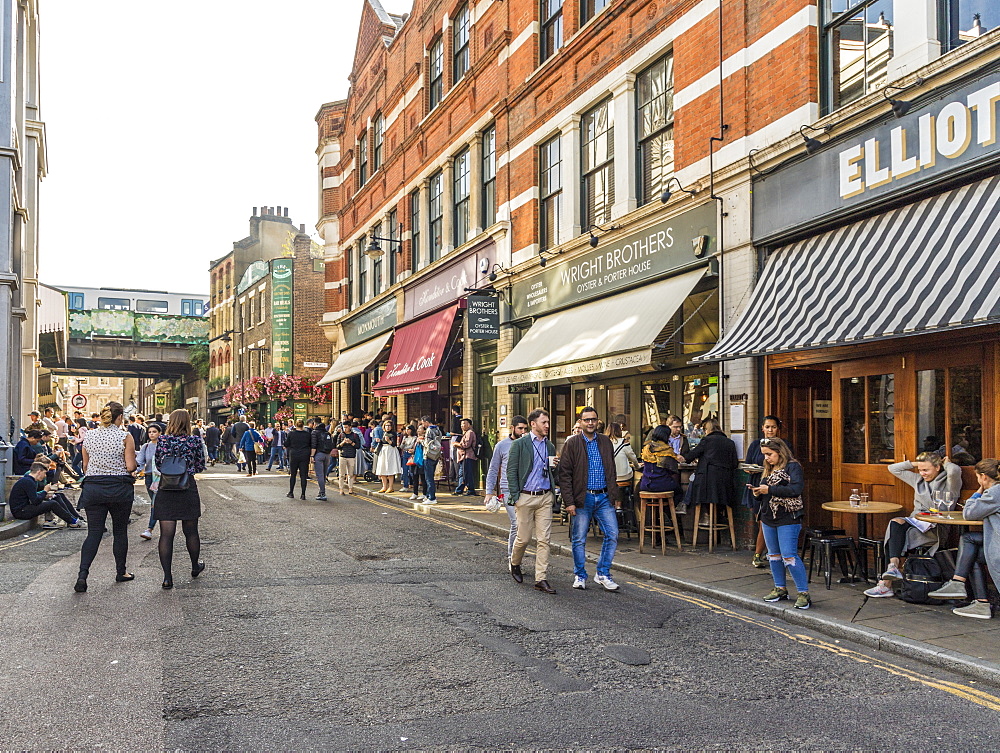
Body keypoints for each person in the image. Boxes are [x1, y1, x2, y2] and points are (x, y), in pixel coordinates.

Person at [864, 452, 962, 598]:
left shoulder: (949, 482)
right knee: (895, 523)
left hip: (935, 527)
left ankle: (885, 585)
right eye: (920, 470)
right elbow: (893, 468)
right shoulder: (918, 480)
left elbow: (954, 470)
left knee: (895, 535)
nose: (922, 473)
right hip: (915, 522)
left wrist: (945, 463)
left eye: (926, 470)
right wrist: (918, 463)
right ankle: (892, 568)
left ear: (937, 467)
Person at [75, 401, 138, 593]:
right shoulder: (125, 436)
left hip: (94, 488)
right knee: (119, 531)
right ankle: (121, 572)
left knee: (93, 533)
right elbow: (130, 467)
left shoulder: (90, 435)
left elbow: (85, 466)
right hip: (119, 488)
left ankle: (82, 576)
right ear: (120, 418)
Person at [559, 406, 622, 592]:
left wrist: (614, 495)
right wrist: (569, 502)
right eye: (586, 420)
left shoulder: (605, 442)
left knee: (612, 534)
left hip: (603, 497)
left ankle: (603, 573)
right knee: (579, 539)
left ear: (597, 421)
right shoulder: (572, 443)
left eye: (593, 419)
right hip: (582, 498)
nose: (590, 423)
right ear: (580, 422)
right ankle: (580, 575)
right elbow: (564, 475)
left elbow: (611, 470)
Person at [749, 437, 811, 610]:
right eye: (764, 455)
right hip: (769, 517)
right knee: (774, 555)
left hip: (788, 517)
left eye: (769, 454)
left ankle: (803, 593)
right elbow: (764, 490)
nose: (766, 458)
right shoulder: (769, 468)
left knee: (789, 555)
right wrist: (757, 493)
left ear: (779, 451)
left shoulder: (793, 466)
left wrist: (769, 489)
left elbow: (795, 489)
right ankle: (780, 588)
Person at [153, 409, 207, 589]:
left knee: (166, 535)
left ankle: (167, 578)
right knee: (191, 531)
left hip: (166, 488)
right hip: (187, 488)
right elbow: (200, 465)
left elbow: (159, 463)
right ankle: (194, 566)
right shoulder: (194, 440)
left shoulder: (162, 440)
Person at [507, 409, 558, 595]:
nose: (547, 425)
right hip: (525, 497)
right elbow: (511, 471)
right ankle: (515, 563)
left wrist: (555, 468)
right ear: (533, 424)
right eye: (544, 422)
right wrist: (516, 496)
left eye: (548, 422)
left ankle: (541, 579)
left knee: (545, 540)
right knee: (524, 538)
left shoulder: (550, 446)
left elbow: (553, 473)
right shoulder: (520, 444)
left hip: (545, 497)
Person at [956, 458, 1000, 619]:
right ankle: (980, 602)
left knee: (968, 540)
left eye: (977, 477)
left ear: (984, 477)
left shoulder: (995, 492)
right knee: (971, 551)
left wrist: (978, 491)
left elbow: (969, 514)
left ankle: (959, 583)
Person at [743, 416, 787, 568]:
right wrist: (750, 468)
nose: (770, 430)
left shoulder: (783, 445)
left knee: (767, 522)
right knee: (763, 521)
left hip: (777, 486)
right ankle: (764, 553)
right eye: (767, 427)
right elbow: (747, 464)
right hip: (757, 484)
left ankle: (763, 553)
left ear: (778, 428)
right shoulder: (756, 444)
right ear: (762, 428)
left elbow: (789, 465)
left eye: (773, 427)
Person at [484, 416, 529, 564]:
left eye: (525, 429)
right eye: (520, 428)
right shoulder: (501, 446)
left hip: (525, 490)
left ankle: (516, 555)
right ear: (512, 428)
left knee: (522, 526)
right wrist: (489, 492)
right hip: (507, 489)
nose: (523, 431)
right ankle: (512, 558)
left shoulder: (529, 444)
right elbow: (493, 469)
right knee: (516, 523)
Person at [678, 418, 738, 524]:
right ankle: (717, 516)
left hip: (707, 485)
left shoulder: (707, 440)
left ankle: (706, 515)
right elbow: (734, 464)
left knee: (694, 483)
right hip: (726, 486)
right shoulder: (730, 443)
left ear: (708, 429)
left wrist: (682, 457)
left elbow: (692, 455)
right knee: (717, 499)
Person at [8, 462, 83, 528]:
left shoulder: (28, 480)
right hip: (21, 512)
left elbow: (32, 497)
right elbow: (35, 501)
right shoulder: (29, 482)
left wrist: (45, 494)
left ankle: (73, 519)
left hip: (23, 508)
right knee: (52, 504)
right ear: (39, 472)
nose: (45, 476)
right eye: (44, 473)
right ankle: (72, 522)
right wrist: (44, 491)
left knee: (55, 497)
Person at [639, 426, 683, 505]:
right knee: (679, 491)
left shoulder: (646, 448)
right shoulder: (667, 450)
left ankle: (655, 514)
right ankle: (667, 513)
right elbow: (673, 469)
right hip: (662, 485)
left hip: (645, 485)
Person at [135, 424, 162, 541]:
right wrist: (134, 471)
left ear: (160, 433)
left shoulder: (163, 446)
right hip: (149, 477)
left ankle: (149, 529)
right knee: (155, 502)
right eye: (150, 432)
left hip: (160, 478)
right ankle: (164, 525)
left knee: (155, 504)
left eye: (154, 432)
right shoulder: (145, 447)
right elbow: (140, 462)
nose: (151, 434)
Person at [284, 419, 312, 499]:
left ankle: (291, 492)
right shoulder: (307, 434)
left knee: (293, 474)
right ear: (303, 425)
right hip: (304, 455)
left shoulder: (291, 434)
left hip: (294, 455)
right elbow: (310, 444)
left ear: (295, 425)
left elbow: (286, 444)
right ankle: (303, 494)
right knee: (303, 475)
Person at [310, 418, 335, 501]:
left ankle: (322, 493)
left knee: (319, 475)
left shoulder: (314, 432)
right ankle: (321, 492)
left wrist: (312, 456)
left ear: (315, 424)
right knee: (323, 475)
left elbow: (313, 445)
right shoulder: (327, 432)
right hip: (327, 455)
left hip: (319, 455)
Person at [374, 419, 402, 493]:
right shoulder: (384, 433)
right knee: (382, 469)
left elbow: (394, 444)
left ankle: (391, 487)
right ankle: (384, 487)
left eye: (389, 425)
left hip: (391, 451)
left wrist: (389, 440)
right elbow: (382, 442)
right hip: (383, 450)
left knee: (390, 469)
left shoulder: (393, 434)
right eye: (386, 425)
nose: (388, 427)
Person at [420, 415, 442, 504]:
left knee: (429, 478)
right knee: (431, 476)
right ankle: (429, 495)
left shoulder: (429, 430)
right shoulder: (437, 429)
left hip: (428, 455)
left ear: (426, 422)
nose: (423, 425)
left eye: (423, 423)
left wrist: (421, 440)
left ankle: (432, 498)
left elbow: (427, 443)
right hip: (435, 455)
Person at [335, 421, 361, 495]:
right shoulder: (341, 435)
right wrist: (342, 443)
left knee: (350, 474)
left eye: (346, 427)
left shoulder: (355, 435)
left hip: (351, 456)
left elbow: (358, 446)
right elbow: (337, 446)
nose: (345, 429)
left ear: (350, 427)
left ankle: (350, 489)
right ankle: (341, 489)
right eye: (344, 427)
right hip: (342, 456)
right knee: (342, 474)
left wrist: (351, 442)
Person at [454, 418, 478, 496]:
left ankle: (470, 490)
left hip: (468, 456)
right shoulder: (466, 433)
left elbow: (466, 445)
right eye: (461, 424)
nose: (462, 426)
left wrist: (456, 444)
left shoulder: (470, 433)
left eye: (464, 423)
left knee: (467, 473)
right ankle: (460, 489)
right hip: (463, 457)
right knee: (462, 473)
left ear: (469, 425)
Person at [399, 425, 419, 492]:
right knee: (404, 470)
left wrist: (406, 447)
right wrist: (403, 443)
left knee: (411, 471)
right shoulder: (405, 437)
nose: (407, 431)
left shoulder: (415, 438)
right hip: (405, 454)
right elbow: (401, 447)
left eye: (408, 429)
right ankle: (405, 485)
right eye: (406, 429)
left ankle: (414, 485)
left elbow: (412, 446)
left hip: (411, 454)